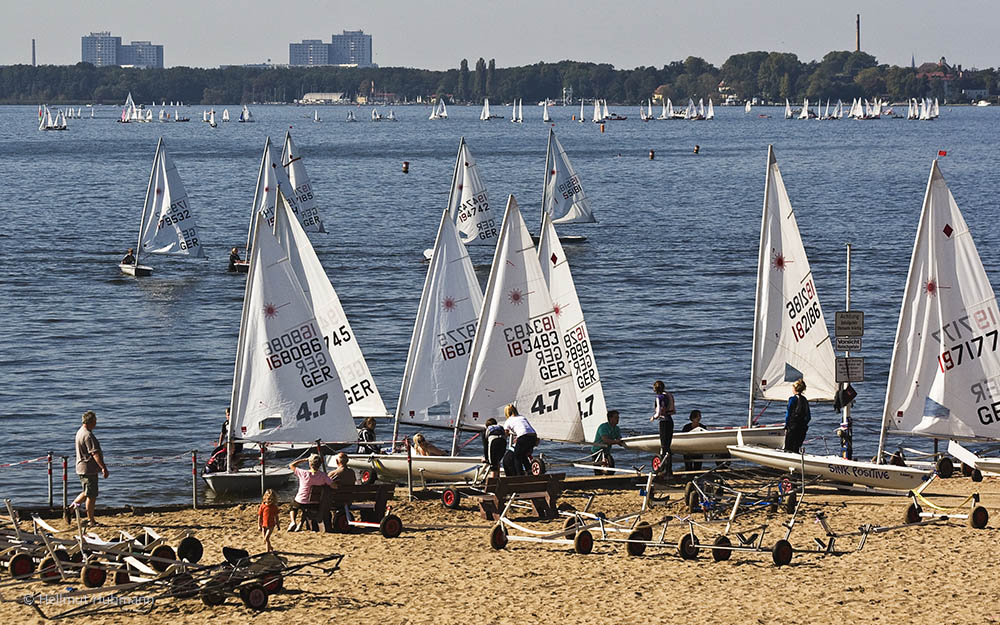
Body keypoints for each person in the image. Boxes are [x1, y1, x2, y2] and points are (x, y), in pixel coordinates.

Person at [70, 411, 109, 526]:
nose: (96, 423)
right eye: (95, 420)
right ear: (91, 421)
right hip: (88, 468)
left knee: (87, 492)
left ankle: (71, 508)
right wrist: (103, 468)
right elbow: (95, 454)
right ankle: (91, 520)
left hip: (82, 467)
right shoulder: (88, 435)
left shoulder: (80, 432)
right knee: (91, 496)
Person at [288, 454, 334, 531]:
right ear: (319, 464)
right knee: (306, 510)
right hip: (314, 502)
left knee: (293, 507)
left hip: (301, 501)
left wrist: (305, 459)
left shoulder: (303, 473)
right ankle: (300, 524)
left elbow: (291, 465)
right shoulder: (323, 476)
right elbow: (333, 485)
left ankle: (293, 521)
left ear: (310, 464)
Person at [649, 380, 676, 477]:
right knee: (668, 445)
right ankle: (669, 469)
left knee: (664, 446)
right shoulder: (669, 395)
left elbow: (659, 411)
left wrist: (654, 417)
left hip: (663, 422)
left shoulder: (659, 397)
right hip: (670, 421)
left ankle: (664, 469)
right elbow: (673, 410)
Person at [503, 404, 538, 476]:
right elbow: (525, 428)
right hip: (533, 436)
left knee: (517, 457)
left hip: (523, 437)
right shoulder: (522, 417)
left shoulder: (508, 421)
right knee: (523, 455)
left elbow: (505, 433)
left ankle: (519, 475)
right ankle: (529, 471)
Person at [784, 379, 811, 452]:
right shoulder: (805, 400)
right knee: (796, 447)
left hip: (793, 426)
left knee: (788, 448)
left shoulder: (792, 399)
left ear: (795, 389)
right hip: (802, 427)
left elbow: (788, 414)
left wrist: (786, 426)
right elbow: (808, 416)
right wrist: (804, 424)